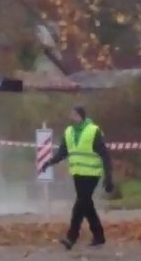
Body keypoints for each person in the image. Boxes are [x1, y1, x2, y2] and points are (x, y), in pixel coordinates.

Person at [41, 105, 114, 250]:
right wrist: (49, 162)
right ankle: (99, 236)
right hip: (78, 173)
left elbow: (105, 155)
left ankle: (71, 237)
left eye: (74, 114)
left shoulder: (93, 131)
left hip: (92, 174)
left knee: (80, 205)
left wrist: (109, 176)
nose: (71, 117)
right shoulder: (69, 132)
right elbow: (63, 152)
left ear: (81, 115)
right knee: (86, 205)